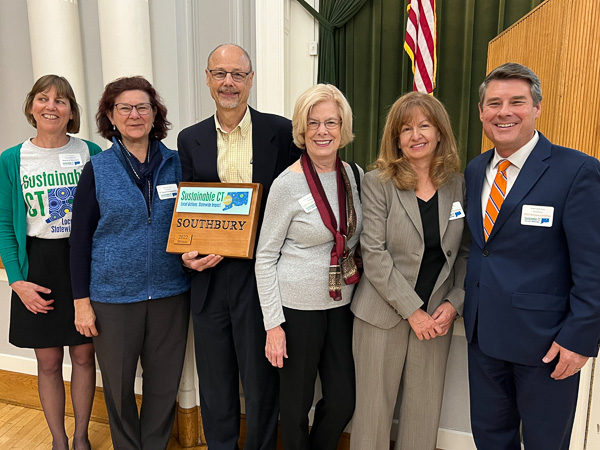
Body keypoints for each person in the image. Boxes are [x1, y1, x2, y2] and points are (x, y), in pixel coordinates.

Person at [464, 62, 600, 449]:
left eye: (516, 102)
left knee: (545, 442)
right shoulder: (475, 171)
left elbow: (594, 266)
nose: (503, 112)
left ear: (537, 108)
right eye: (494, 103)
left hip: (546, 346)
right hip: (484, 337)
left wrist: (579, 339)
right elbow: (483, 249)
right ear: (481, 112)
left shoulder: (577, 171)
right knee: (490, 438)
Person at [177, 43, 300, 450]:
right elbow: (186, 209)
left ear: (250, 80)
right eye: (220, 74)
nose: (228, 83)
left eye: (237, 74)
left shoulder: (281, 133)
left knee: (261, 381)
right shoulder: (189, 138)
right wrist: (187, 253)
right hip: (208, 279)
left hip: (260, 277)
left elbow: (295, 198)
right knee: (215, 383)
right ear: (207, 79)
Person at [69, 76, 190, 449]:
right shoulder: (98, 169)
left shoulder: (177, 164)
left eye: (143, 107)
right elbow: (79, 240)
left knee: (164, 383)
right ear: (111, 115)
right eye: (124, 107)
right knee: (119, 387)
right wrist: (82, 303)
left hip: (171, 292)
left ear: (156, 114)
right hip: (113, 298)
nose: (134, 114)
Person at [349, 92, 468, 450]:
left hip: (436, 317)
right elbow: (373, 253)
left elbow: (465, 253)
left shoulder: (458, 184)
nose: (415, 135)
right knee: (372, 416)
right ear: (396, 139)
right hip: (381, 315)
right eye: (406, 129)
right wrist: (412, 311)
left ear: (439, 132)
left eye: (424, 125)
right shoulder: (377, 182)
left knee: (423, 416)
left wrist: (453, 302)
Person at [255, 84, 361, 450]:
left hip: (342, 305)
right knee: (295, 406)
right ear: (301, 129)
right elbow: (265, 257)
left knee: (343, 400)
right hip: (297, 309)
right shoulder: (288, 183)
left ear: (342, 126)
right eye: (313, 123)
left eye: (330, 122)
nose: (322, 131)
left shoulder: (355, 175)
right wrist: (273, 324)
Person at [0, 75, 100, 450]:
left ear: (71, 111)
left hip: (81, 261)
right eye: (43, 98)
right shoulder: (12, 159)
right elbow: (5, 225)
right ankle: (58, 440)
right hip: (37, 265)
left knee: (85, 356)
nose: (51, 106)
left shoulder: (92, 152)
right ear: (31, 106)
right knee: (47, 362)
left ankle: (81, 438)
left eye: (61, 101)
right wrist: (16, 281)